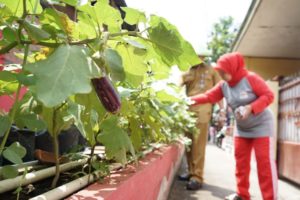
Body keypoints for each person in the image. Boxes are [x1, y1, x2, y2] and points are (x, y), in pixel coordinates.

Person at [191, 52, 277, 200]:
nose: (222, 75)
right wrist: (189, 100)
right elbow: (209, 96)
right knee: (241, 163)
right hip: (243, 129)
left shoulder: (250, 78)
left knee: (264, 165)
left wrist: (250, 107)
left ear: (234, 68)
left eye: (225, 72)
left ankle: (270, 198)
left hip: (262, 126)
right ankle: (242, 194)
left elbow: (269, 96)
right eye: (220, 72)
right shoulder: (224, 85)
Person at [179, 61, 222, 190]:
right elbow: (177, 84)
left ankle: (197, 177)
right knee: (189, 143)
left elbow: (220, 90)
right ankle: (191, 171)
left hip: (204, 109)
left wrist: (222, 110)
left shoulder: (212, 70)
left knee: (199, 144)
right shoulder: (187, 69)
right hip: (187, 108)